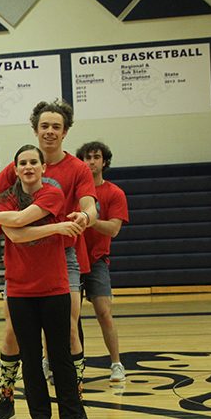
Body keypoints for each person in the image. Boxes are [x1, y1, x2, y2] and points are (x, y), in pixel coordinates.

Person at [0, 99, 97, 419]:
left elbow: (90, 207)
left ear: (65, 131)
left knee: (69, 330)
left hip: (61, 256)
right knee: (13, 333)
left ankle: (76, 403)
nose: (50, 131)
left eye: (56, 126)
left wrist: (84, 216)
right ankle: (7, 399)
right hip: (21, 265)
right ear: (36, 129)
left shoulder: (77, 169)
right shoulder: (17, 166)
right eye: (45, 126)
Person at [76, 141, 129, 382]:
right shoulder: (73, 190)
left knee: (104, 312)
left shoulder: (114, 193)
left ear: (104, 161)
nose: (91, 161)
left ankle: (116, 363)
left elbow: (113, 229)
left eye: (96, 157)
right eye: (87, 157)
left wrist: (90, 219)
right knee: (64, 315)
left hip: (97, 259)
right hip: (72, 258)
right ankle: (54, 363)